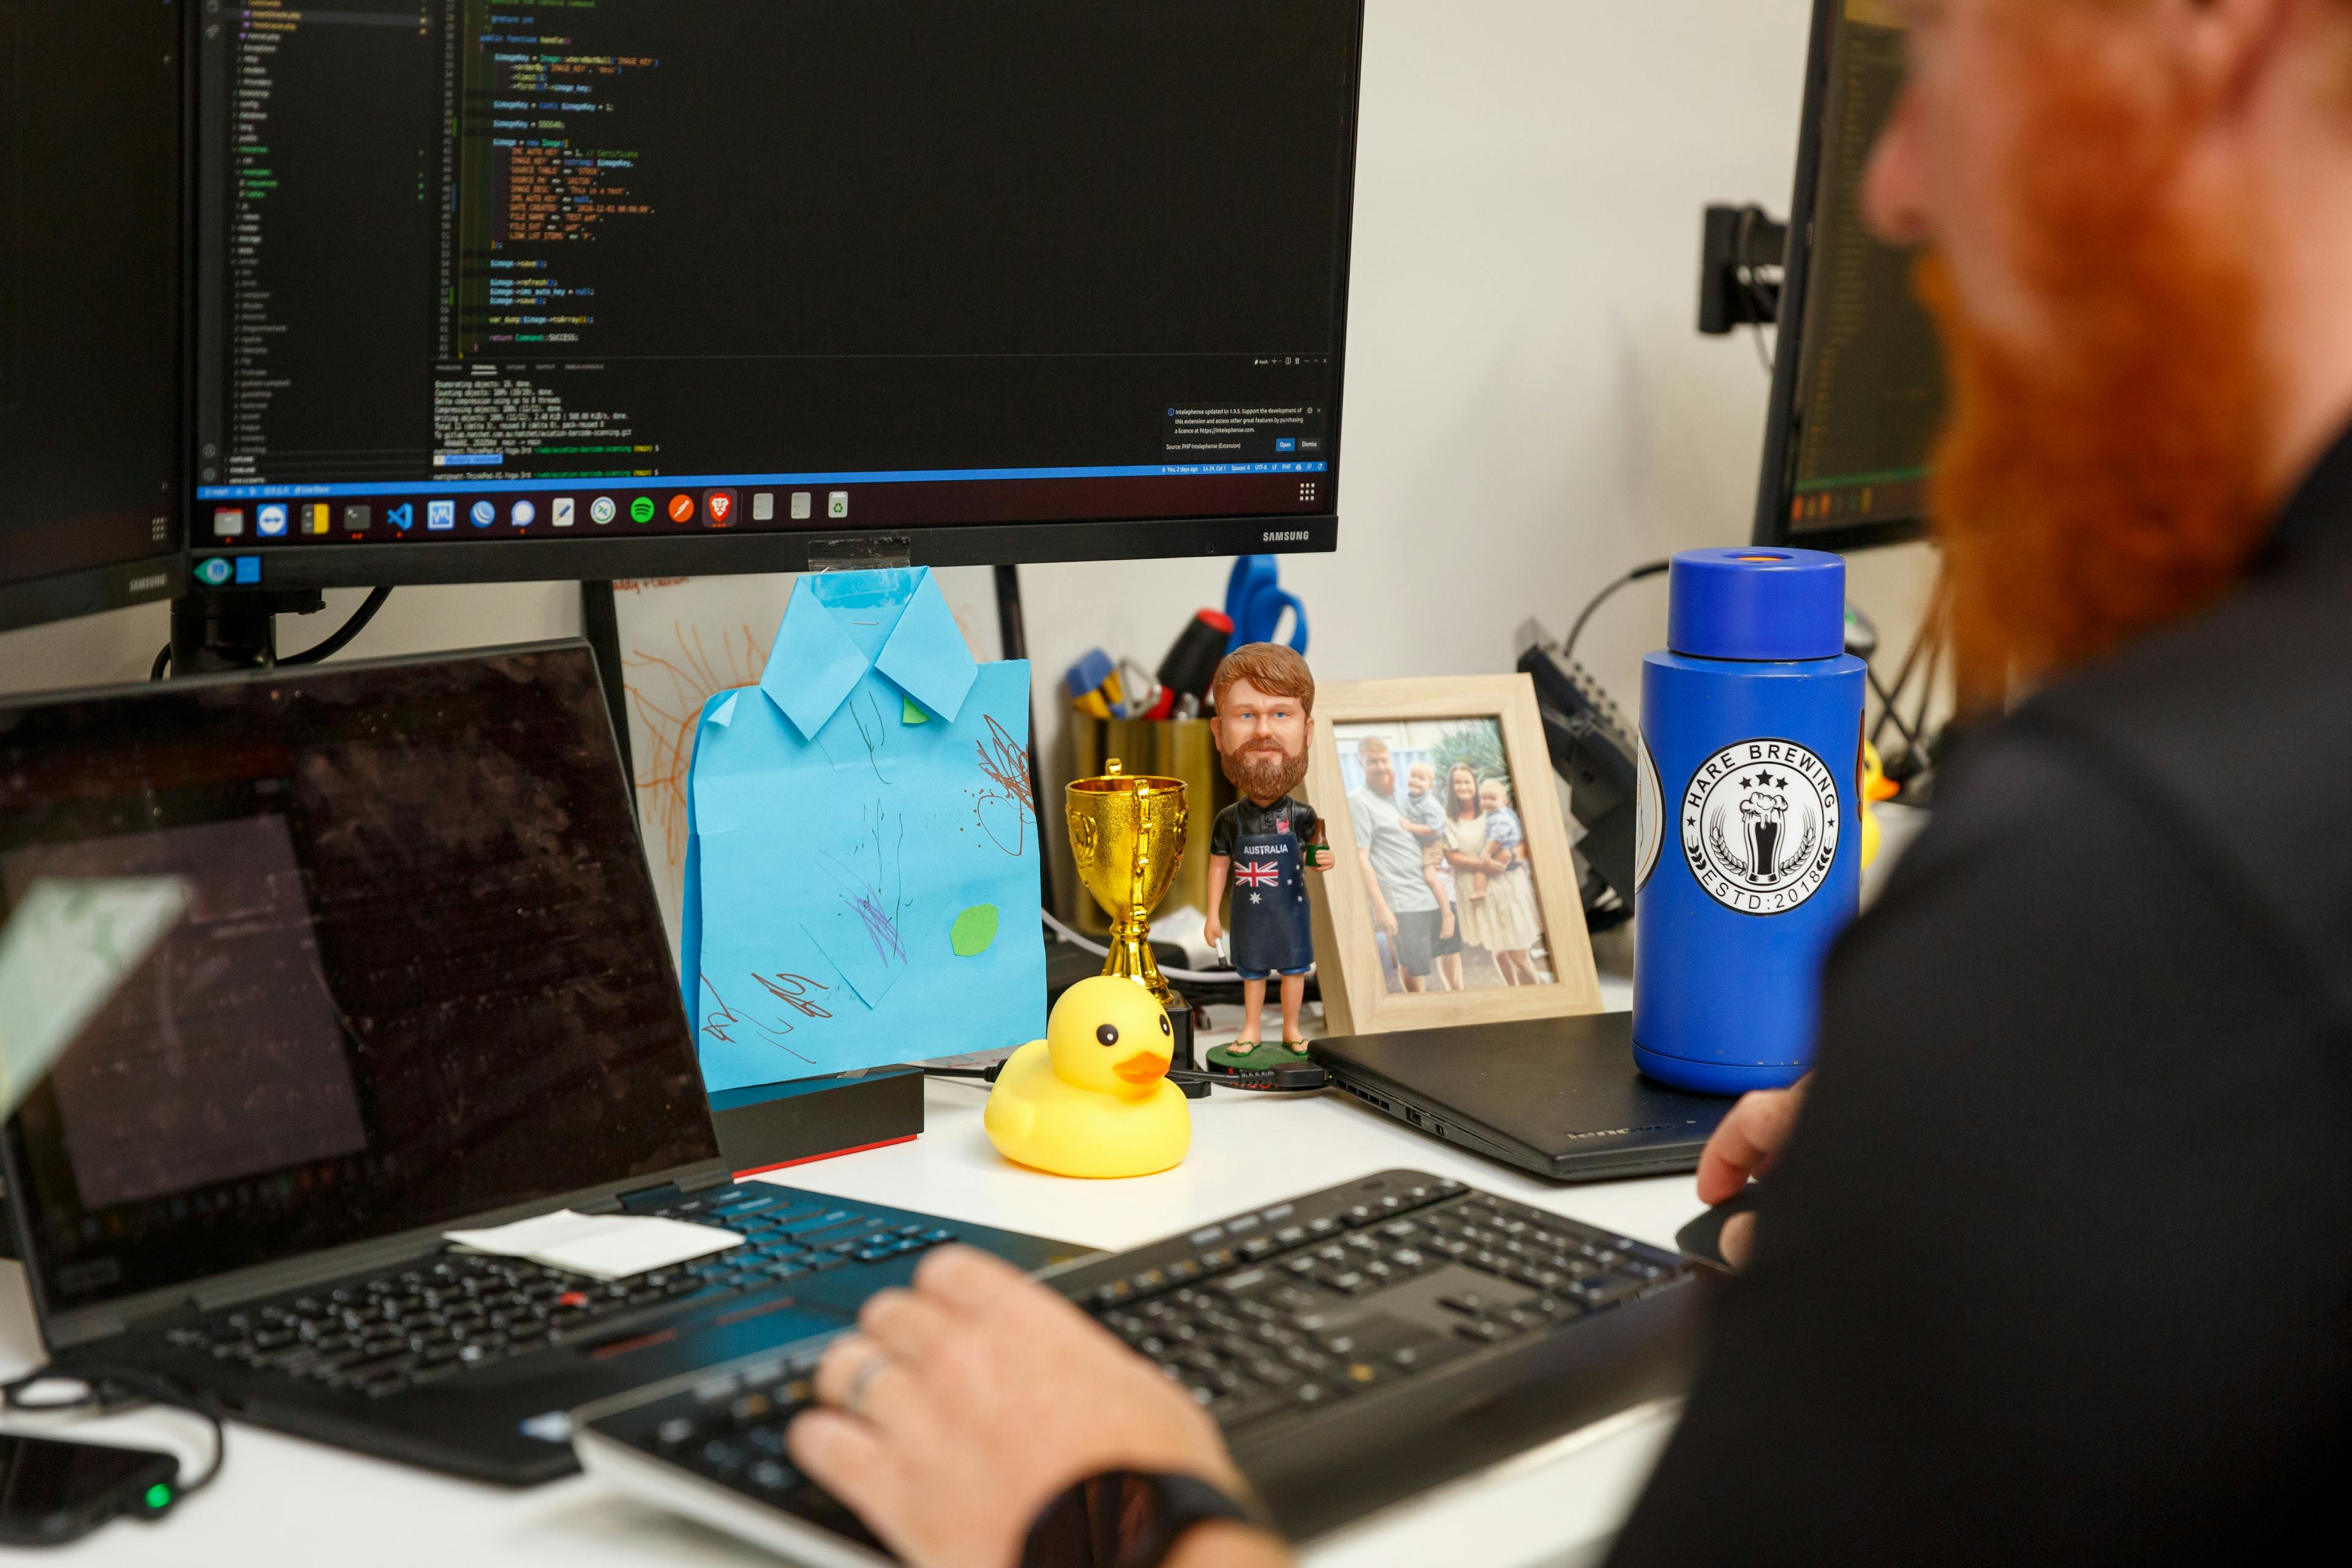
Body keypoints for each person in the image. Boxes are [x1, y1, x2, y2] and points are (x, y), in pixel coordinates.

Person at [781, 2, 2352, 1562]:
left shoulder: (2141, 866)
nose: (1893, 188)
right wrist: (1966, 1146)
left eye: (1946, 51)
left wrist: (1112, 1506)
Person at [1200, 645, 1327, 1060]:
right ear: (1219, 733)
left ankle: (1291, 1029)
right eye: (1246, 715)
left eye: (1280, 714)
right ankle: (1252, 1028)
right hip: (1249, 917)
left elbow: (1316, 853)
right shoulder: (1229, 820)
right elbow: (1219, 864)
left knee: (1294, 973)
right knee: (1252, 974)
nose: (1262, 731)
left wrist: (1322, 858)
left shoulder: (1303, 815)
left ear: (1307, 731)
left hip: (1291, 914)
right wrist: (1211, 915)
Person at [1345, 737, 1442, 993]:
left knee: (1438, 961)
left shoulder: (1403, 798)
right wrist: (1381, 909)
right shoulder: (1358, 803)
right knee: (1413, 969)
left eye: (1384, 760)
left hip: (1426, 896)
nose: (1380, 766)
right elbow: (1360, 859)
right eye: (1372, 761)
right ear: (1361, 764)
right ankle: (1421, 1023)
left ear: (1392, 761)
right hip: (1401, 902)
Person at [1398, 761, 1466, 989]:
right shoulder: (1404, 799)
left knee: (1430, 875)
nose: (1416, 781)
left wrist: (1410, 828)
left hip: (1432, 845)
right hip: (1412, 889)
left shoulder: (1431, 804)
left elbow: (1435, 830)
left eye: (1422, 778)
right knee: (1413, 956)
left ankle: (1448, 914)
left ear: (1431, 785)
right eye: (1413, 776)